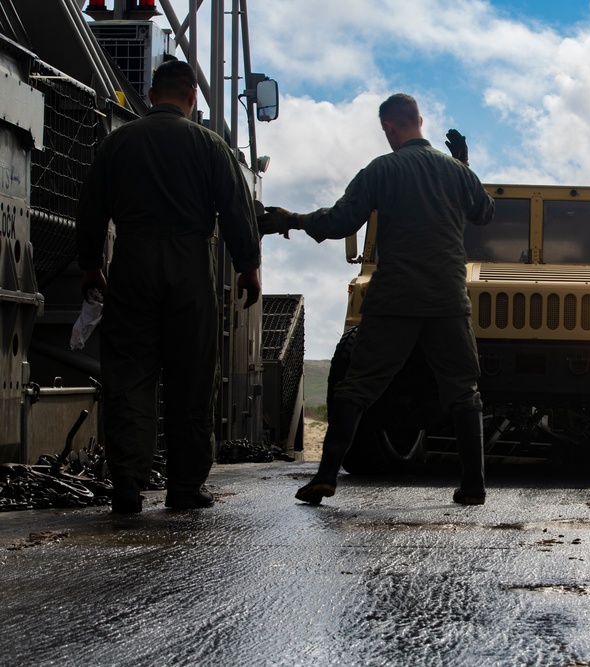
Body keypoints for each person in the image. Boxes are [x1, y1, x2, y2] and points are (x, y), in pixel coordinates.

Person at [259, 93, 494, 506]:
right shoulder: (455, 172)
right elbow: (485, 213)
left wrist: (292, 220)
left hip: (394, 299)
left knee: (358, 388)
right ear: (419, 120)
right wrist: (464, 166)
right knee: (463, 392)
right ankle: (473, 485)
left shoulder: (382, 169)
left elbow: (340, 221)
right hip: (446, 300)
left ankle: (326, 477)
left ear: (389, 127)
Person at [76, 60, 262, 514]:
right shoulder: (210, 145)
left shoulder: (118, 143)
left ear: (151, 92)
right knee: (192, 377)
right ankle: (184, 486)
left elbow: (91, 210)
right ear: (192, 97)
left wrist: (90, 267)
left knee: (128, 374)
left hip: (132, 262)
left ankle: (126, 482)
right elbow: (236, 211)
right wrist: (248, 265)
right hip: (190, 265)